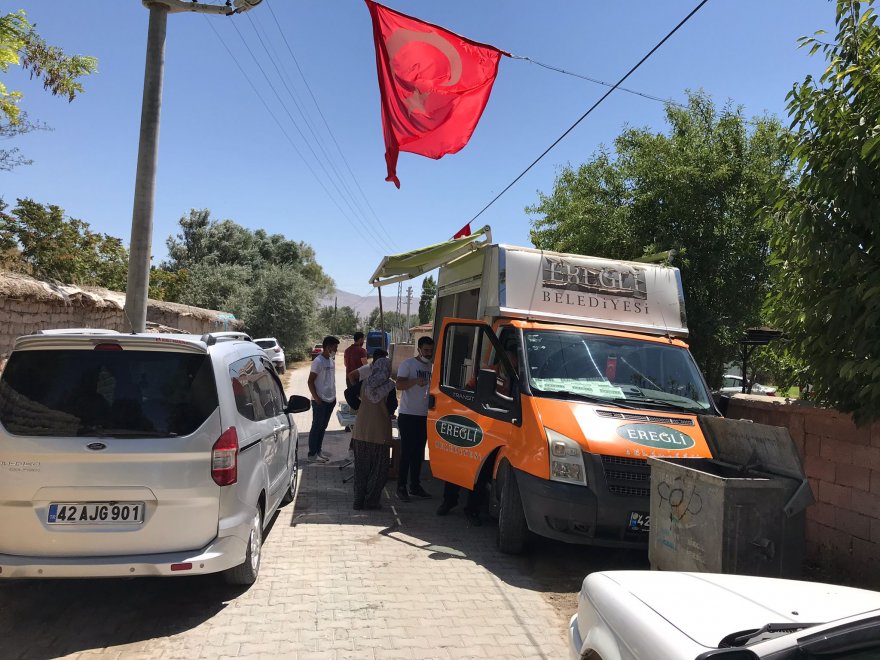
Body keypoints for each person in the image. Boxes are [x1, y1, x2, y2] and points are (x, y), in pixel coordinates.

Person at [351, 356, 396, 510]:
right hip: (380, 433)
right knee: (378, 470)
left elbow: (348, 393)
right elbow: (392, 407)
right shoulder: (390, 386)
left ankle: (358, 501)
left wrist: (360, 407)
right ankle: (371, 501)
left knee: (360, 469)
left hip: (361, 431)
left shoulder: (364, 383)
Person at [394, 336, 434, 502]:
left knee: (419, 453)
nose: (428, 353)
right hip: (408, 414)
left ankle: (415, 486)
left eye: (430, 350)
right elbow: (399, 385)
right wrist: (415, 381)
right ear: (419, 349)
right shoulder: (408, 364)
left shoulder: (432, 366)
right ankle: (401, 487)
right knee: (407, 452)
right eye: (426, 350)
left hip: (425, 416)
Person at [307, 335, 339, 463]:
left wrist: (334, 396)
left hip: (330, 400)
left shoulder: (331, 361)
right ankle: (312, 454)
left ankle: (318, 451)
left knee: (322, 427)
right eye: (335, 347)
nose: (336, 350)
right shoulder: (318, 362)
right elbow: (310, 381)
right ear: (328, 347)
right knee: (316, 427)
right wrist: (316, 398)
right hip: (320, 401)